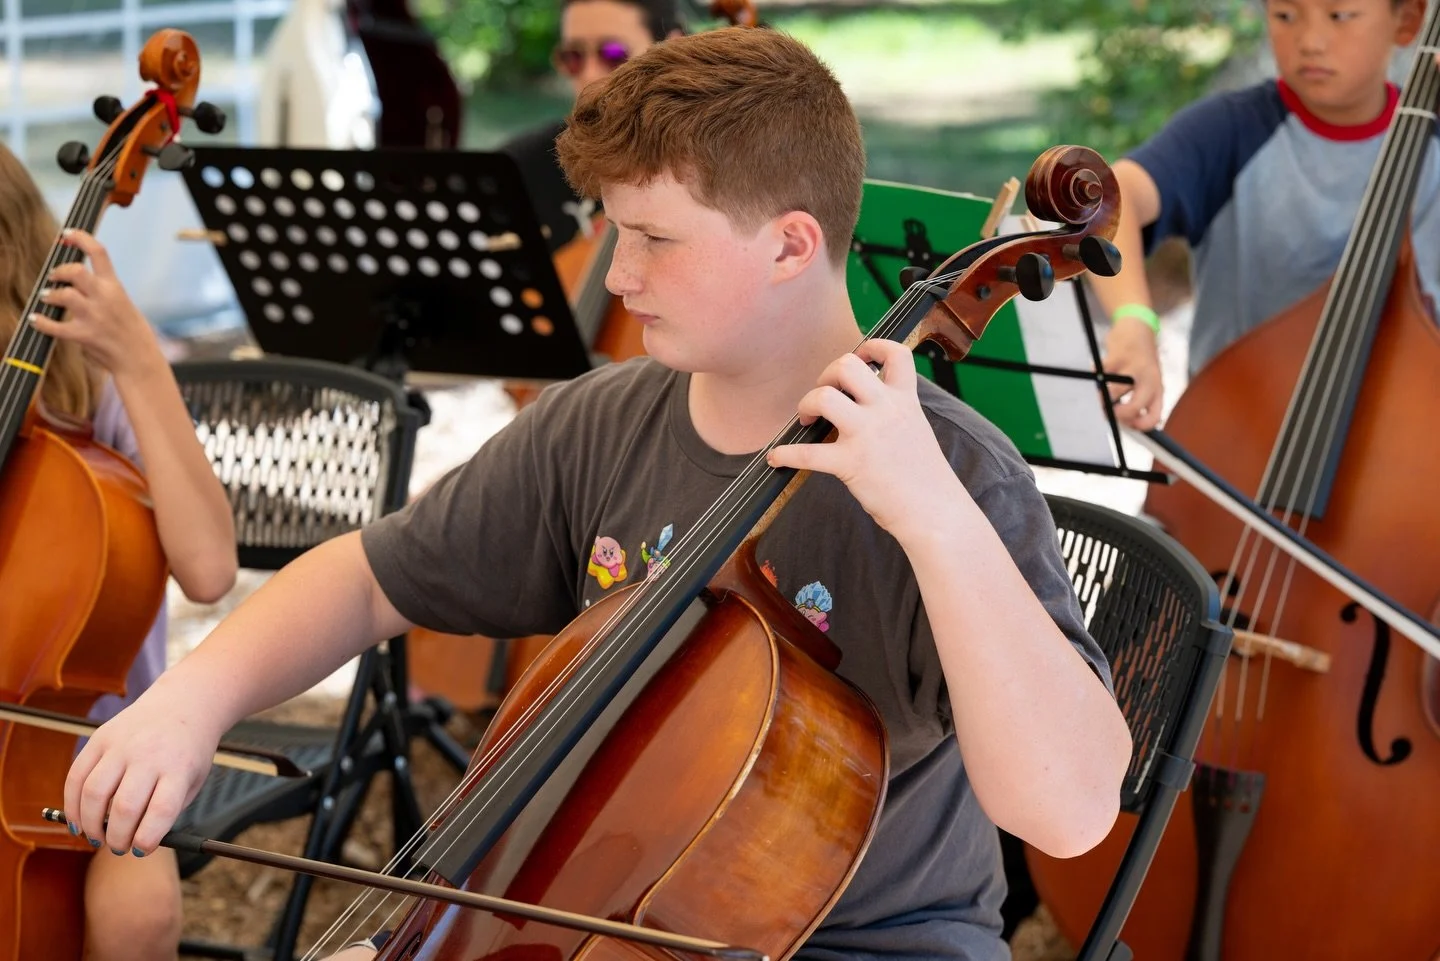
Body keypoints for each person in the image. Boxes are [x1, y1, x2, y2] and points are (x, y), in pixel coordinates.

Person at [65, 27, 1132, 961]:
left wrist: (935, 519)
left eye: (655, 237)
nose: (618, 275)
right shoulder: (606, 420)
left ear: (790, 245)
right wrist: (191, 702)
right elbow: (368, 579)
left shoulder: (957, 474)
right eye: (616, 229)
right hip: (603, 923)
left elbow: (1070, 809)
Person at [0, 144, 237, 959]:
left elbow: (209, 568)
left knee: (140, 912)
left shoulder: (88, 388)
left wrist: (137, 360)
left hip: (93, 758)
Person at [1090, 0, 1440, 430]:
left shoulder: (1433, 138)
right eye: (1285, 16)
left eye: (1340, 16)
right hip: (1235, 433)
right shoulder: (1232, 128)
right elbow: (1112, 195)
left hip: (1412, 434)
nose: (1310, 42)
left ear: (1406, 21)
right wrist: (1134, 320)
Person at [501, 0, 685, 252]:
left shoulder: (708, 165)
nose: (589, 75)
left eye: (613, 54)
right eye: (573, 56)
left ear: (672, 47)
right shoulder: (520, 166)